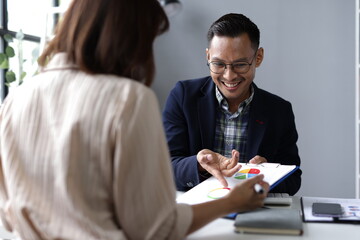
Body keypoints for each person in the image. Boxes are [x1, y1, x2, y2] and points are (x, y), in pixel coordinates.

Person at [0, 2, 269, 240]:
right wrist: (231, 202)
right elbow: (156, 229)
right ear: (132, 37)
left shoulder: (14, 101)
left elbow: (8, 215)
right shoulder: (128, 99)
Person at [163, 13, 301, 195]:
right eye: (219, 64)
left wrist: (268, 173)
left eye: (240, 64)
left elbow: (293, 179)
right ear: (208, 56)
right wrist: (199, 165)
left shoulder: (279, 111)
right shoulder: (183, 96)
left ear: (258, 57)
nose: (229, 76)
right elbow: (164, 167)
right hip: (197, 210)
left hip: (252, 210)